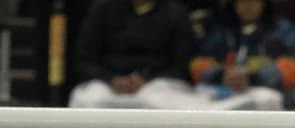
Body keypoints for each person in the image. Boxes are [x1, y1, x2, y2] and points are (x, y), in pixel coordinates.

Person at [69, 0, 200, 109]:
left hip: (157, 84)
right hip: (107, 83)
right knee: (88, 99)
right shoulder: (102, 9)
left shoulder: (176, 13)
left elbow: (181, 66)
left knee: (161, 101)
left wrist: (145, 80)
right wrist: (111, 80)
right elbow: (85, 61)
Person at [190, 0, 295, 110]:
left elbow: (293, 66)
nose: (248, 5)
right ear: (234, 3)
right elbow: (198, 65)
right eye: (243, 1)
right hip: (221, 93)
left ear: (264, 3)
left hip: (267, 94)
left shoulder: (281, 30)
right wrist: (221, 75)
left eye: (254, 1)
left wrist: (252, 77)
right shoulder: (219, 29)